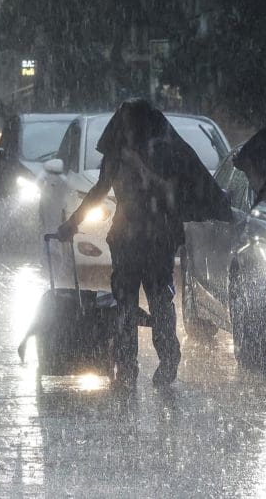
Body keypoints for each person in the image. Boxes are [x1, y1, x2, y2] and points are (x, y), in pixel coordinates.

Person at [57, 99, 229, 387]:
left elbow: (167, 189)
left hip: (150, 239)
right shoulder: (127, 152)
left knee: (156, 302)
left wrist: (142, 168)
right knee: (131, 304)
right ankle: (129, 367)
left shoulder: (160, 152)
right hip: (133, 240)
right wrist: (73, 223)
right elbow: (100, 190)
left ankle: (163, 359)